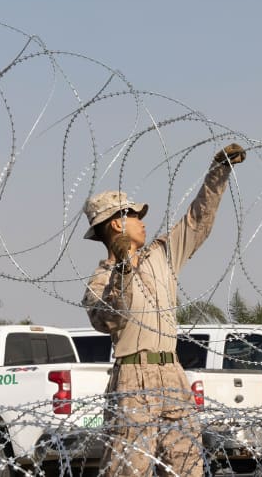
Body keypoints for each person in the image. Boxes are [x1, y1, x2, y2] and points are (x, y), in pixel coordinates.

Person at [81, 143, 246, 477]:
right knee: (129, 471)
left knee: (187, 467)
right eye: (134, 216)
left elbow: (198, 221)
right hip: (132, 376)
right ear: (115, 225)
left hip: (172, 372)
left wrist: (219, 172)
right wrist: (125, 270)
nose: (143, 222)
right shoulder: (99, 282)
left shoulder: (162, 255)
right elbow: (109, 319)